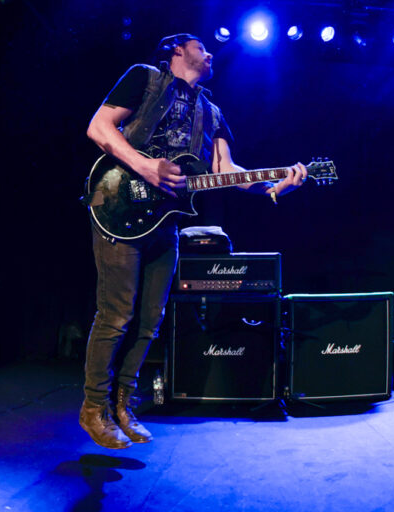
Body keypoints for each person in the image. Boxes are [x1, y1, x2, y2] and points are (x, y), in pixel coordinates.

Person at [80, 33, 307, 449]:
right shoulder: (144, 77)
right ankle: (94, 406)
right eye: (202, 47)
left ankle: (124, 405)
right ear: (177, 50)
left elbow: (226, 171)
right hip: (118, 202)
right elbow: (98, 127)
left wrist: (275, 186)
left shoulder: (211, 111)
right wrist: (145, 166)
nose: (210, 53)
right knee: (117, 314)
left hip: (165, 221)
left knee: (150, 320)